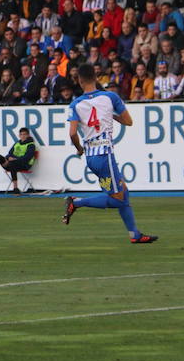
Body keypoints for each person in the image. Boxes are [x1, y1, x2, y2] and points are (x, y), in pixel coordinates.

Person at [61, 63, 158, 243]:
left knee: (124, 193)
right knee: (119, 199)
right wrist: (112, 115)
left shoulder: (75, 104)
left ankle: (134, 235)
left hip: (91, 156)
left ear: (80, 81)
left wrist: (79, 149)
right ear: (96, 78)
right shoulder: (110, 97)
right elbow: (129, 122)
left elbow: (73, 133)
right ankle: (76, 202)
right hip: (105, 155)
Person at [0, 127, 39, 193]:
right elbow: (9, 154)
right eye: (21, 134)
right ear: (19, 135)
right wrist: (7, 158)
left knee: (13, 163)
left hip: (25, 165)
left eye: (24, 134)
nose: (23, 136)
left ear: (28, 135)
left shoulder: (31, 145)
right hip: (14, 163)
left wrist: (15, 158)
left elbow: (27, 158)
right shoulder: (17, 143)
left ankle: (15, 188)